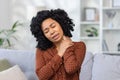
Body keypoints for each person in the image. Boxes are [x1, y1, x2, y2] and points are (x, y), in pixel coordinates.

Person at [30, 8, 86, 80]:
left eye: (53, 26)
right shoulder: (41, 50)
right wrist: (60, 53)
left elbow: (70, 69)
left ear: (61, 24)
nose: (51, 32)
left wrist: (67, 46)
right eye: (46, 31)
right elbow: (41, 76)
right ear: (43, 35)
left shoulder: (79, 46)